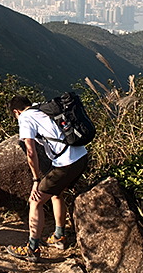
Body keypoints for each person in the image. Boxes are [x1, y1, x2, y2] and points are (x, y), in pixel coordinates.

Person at [6, 94, 90, 262]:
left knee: (35, 201)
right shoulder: (43, 108)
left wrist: (36, 181)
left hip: (66, 163)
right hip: (81, 156)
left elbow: (31, 152)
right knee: (56, 193)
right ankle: (59, 237)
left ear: (16, 112)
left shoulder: (25, 118)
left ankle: (32, 249)